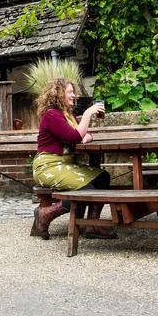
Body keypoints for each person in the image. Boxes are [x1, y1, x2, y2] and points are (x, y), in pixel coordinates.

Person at [30, 77, 114, 239]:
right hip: (48, 166)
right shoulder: (51, 115)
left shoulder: (68, 115)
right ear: (58, 94)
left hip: (66, 165)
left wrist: (83, 135)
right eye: (69, 92)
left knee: (103, 177)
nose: (74, 95)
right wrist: (89, 113)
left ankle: (91, 225)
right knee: (87, 191)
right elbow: (75, 137)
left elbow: (84, 135)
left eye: (73, 92)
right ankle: (45, 214)